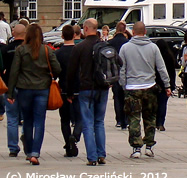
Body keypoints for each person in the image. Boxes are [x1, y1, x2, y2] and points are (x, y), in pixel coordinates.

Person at [6, 23, 60, 166]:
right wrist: (50, 77)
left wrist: (10, 93)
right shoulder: (47, 50)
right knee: (40, 121)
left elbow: (14, 71)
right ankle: (36, 152)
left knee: (27, 121)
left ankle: (29, 152)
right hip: (42, 89)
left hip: (24, 89)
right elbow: (57, 69)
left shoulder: (21, 50)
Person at [118, 21, 170, 159]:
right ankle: (149, 146)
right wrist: (167, 85)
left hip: (132, 87)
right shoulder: (153, 48)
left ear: (133, 32)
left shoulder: (125, 48)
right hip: (149, 86)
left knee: (134, 118)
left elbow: (122, 69)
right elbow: (161, 68)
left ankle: (136, 147)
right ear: (145, 32)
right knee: (150, 117)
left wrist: (123, 85)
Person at [65, 18, 111, 166]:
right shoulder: (104, 46)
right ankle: (101, 154)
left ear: (85, 28)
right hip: (102, 87)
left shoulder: (80, 48)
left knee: (87, 123)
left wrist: (70, 92)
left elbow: (71, 72)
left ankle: (91, 157)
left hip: (86, 88)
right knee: (99, 121)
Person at [53, 25, 81, 157]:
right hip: (78, 88)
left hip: (63, 88)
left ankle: (68, 146)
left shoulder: (58, 53)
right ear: (74, 36)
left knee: (64, 119)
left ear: (62, 36)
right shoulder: (78, 51)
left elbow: (55, 72)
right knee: (80, 117)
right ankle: (75, 137)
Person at [2, 23, 25, 157]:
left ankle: (12, 148)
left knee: (12, 118)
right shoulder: (28, 49)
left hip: (9, 86)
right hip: (25, 86)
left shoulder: (6, 49)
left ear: (13, 33)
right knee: (27, 117)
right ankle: (26, 139)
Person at [108, 21, 129, 130]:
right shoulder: (127, 42)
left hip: (114, 72)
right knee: (125, 96)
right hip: (126, 73)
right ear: (125, 30)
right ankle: (125, 119)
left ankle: (119, 120)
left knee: (116, 97)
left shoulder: (110, 43)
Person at [152, 38, 176, 132]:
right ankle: (161, 122)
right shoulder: (169, 57)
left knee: (155, 104)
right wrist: (171, 85)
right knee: (163, 104)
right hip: (166, 84)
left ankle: (155, 121)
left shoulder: (155, 57)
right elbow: (172, 72)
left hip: (155, 83)